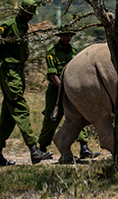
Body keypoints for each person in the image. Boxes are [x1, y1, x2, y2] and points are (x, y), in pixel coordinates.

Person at [0, 0, 53, 166]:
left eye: (31, 15)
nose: (31, 17)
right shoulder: (7, 26)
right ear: (21, 11)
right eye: (29, 14)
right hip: (9, 73)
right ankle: (34, 150)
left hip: (19, 72)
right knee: (21, 109)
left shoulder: (24, 26)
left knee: (8, 114)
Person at [36, 26, 99, 160]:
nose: (68, 38)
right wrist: (63, 87)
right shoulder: (52, 51)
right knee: (52, 117)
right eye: (65, 35)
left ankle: (84, 147)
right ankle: (42, 147)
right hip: (56, 89)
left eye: (70, 35)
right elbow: (52, 73)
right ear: (60, 36)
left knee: (79, 115)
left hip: (72, 90)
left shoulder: (74, 51)